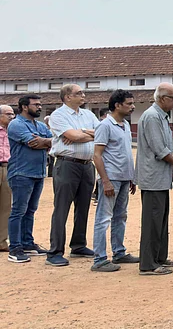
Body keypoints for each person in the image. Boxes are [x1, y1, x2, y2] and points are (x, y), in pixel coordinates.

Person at [46, 84, 101, 267]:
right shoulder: (58, 115)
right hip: (67, 164)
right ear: (67, 97)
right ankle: (55, 251)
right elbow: (72, 136)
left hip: (87, 165)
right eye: (79, 93)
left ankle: (78, 244)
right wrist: (83, 134)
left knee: (83, 207)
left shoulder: (88, 115)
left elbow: (102, 134)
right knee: (62, 208)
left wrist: (81, 133)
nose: (83, 95)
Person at [136, 83, 173, 276]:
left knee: (161, 220)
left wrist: (172, 169)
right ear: (162, 98)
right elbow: (159, 149)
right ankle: (148, 264)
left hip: (161, 177)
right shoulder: (152, 116)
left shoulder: (162, 117)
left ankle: (159, 257)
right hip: (152, 177)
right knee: (152, 222)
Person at [90, 90, 141, 272]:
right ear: (117, 105)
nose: (132, 106)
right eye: (129, 103)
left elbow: (125, 153)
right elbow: (97, 155)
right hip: (111, 178)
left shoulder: (125, 124)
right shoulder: (105, 125)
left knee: (121, 216)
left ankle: (119, 252)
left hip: (124, 178)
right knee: (103, 218)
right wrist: (105, 181)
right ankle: (100, 259)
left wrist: (132, 177)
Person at [6, 96, 51, 262]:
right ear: (24, 107)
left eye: (40, 104)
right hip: (21, 173)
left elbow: (53, 141)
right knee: (18, 211)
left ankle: (27, 242)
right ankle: (15, 248)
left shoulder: (39, 125)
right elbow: (33, 142)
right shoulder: (16, 124)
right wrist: (45, 142)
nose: (39, 107)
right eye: (36, 105)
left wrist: (44, 141)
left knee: (30, 210)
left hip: (38, 173)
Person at [0, 105, 13, 252]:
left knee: (5, 207)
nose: (11, 117)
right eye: (8, 114)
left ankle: (2, 242)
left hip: (8, 168)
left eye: (12, 114)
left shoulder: (13, 131)